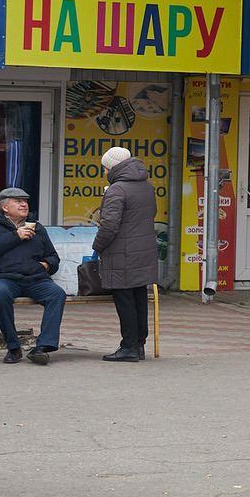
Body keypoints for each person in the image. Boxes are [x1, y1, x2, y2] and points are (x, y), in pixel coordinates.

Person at [0, 188, 64, 365]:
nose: (24, 204)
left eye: (25, 201)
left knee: (56, 294)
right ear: (5, 207)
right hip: (4, 278)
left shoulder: (36, 227)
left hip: (35, 279)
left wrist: (46, 265)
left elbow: (53, 257)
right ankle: (13, 347)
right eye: (18, 201)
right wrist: (15, 236)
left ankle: (42, 347)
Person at [93, 146, 159, 363]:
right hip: (143, 251)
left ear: (112, 166)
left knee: (124, 299)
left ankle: (128, 346)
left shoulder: (117, 190)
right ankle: (139, 344)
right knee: (139, 296)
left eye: (104, 167)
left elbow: (109, 226)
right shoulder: (146, 187)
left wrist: (97, 246)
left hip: (122, 253)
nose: (104, 172)